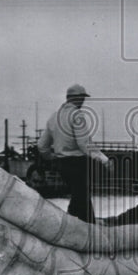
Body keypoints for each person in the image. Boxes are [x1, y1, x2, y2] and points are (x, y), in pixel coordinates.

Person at [37, 84, 111, 223]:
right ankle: (84, 227)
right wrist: (104, 159)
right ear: (77, 98)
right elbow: (84, 144)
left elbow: (41, 145)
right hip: (78, 164)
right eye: (82, 98)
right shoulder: (77, 115)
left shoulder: (54, 117)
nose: (83, 102)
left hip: (62, 164)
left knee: (80, 197)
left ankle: (74, 224)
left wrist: (51, 157)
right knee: (81, 196)